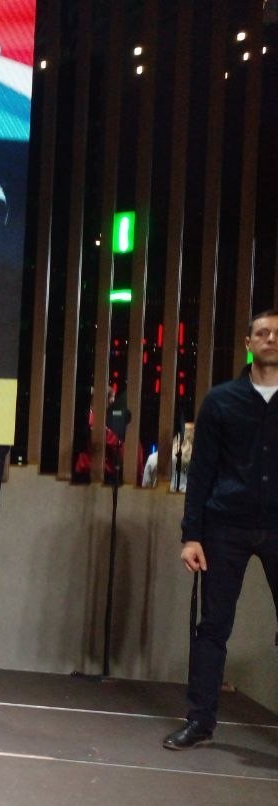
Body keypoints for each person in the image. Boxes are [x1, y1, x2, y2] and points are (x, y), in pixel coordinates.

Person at [164, 308, 278, 749]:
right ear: (248, 344)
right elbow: (201, 473)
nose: (270, 339)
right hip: (224, 526)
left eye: (276, 334)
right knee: (212, 626)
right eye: (262, 333)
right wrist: (190, 535)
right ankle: (200, 721)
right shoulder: (221, 401)